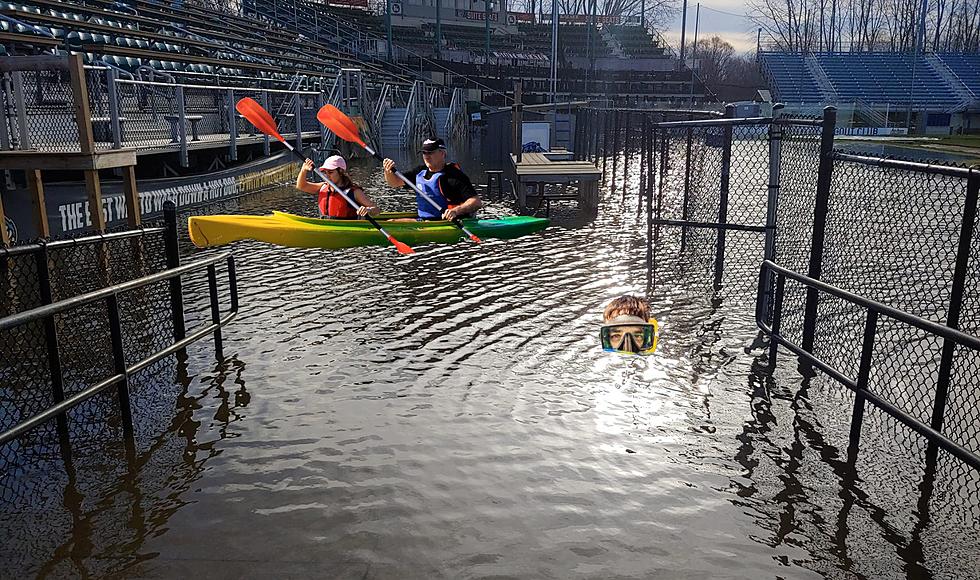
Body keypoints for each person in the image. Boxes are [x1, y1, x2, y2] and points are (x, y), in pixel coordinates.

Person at [382, 137, 482, 221]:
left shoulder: (454, 176)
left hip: (450, 222)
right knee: (392, 221)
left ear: (442, 153)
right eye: (424, 153)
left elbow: (476, 202)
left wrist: (456, 211)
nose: (426, 156)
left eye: (430, 152)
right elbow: (394, 183)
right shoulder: (419, 172)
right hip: (424, 221)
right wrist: (388, 171)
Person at [296, 155, 380, 219]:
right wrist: (303, 170)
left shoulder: (354, 192)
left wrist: (367, 210)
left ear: (340, 172)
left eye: (331, 172)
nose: (327, 176)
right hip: (325, 226)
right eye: (325, 172)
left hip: (346, 228)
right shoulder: (323, 186)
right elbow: (301, 186)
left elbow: (376, 210)